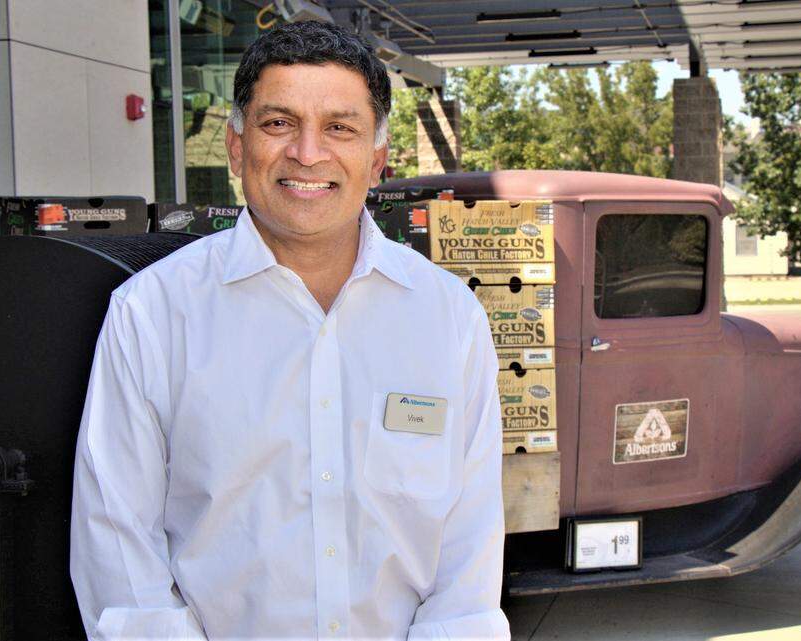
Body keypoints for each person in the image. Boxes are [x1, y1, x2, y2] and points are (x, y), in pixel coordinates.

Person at [69, 20, 509, 641]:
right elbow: (117, 545)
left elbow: (469, 546)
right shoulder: (153, 314)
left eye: (340, 128)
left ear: (377, 158)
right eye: (279, 124)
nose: (307, 153)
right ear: (235, 147)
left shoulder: (448, 318)